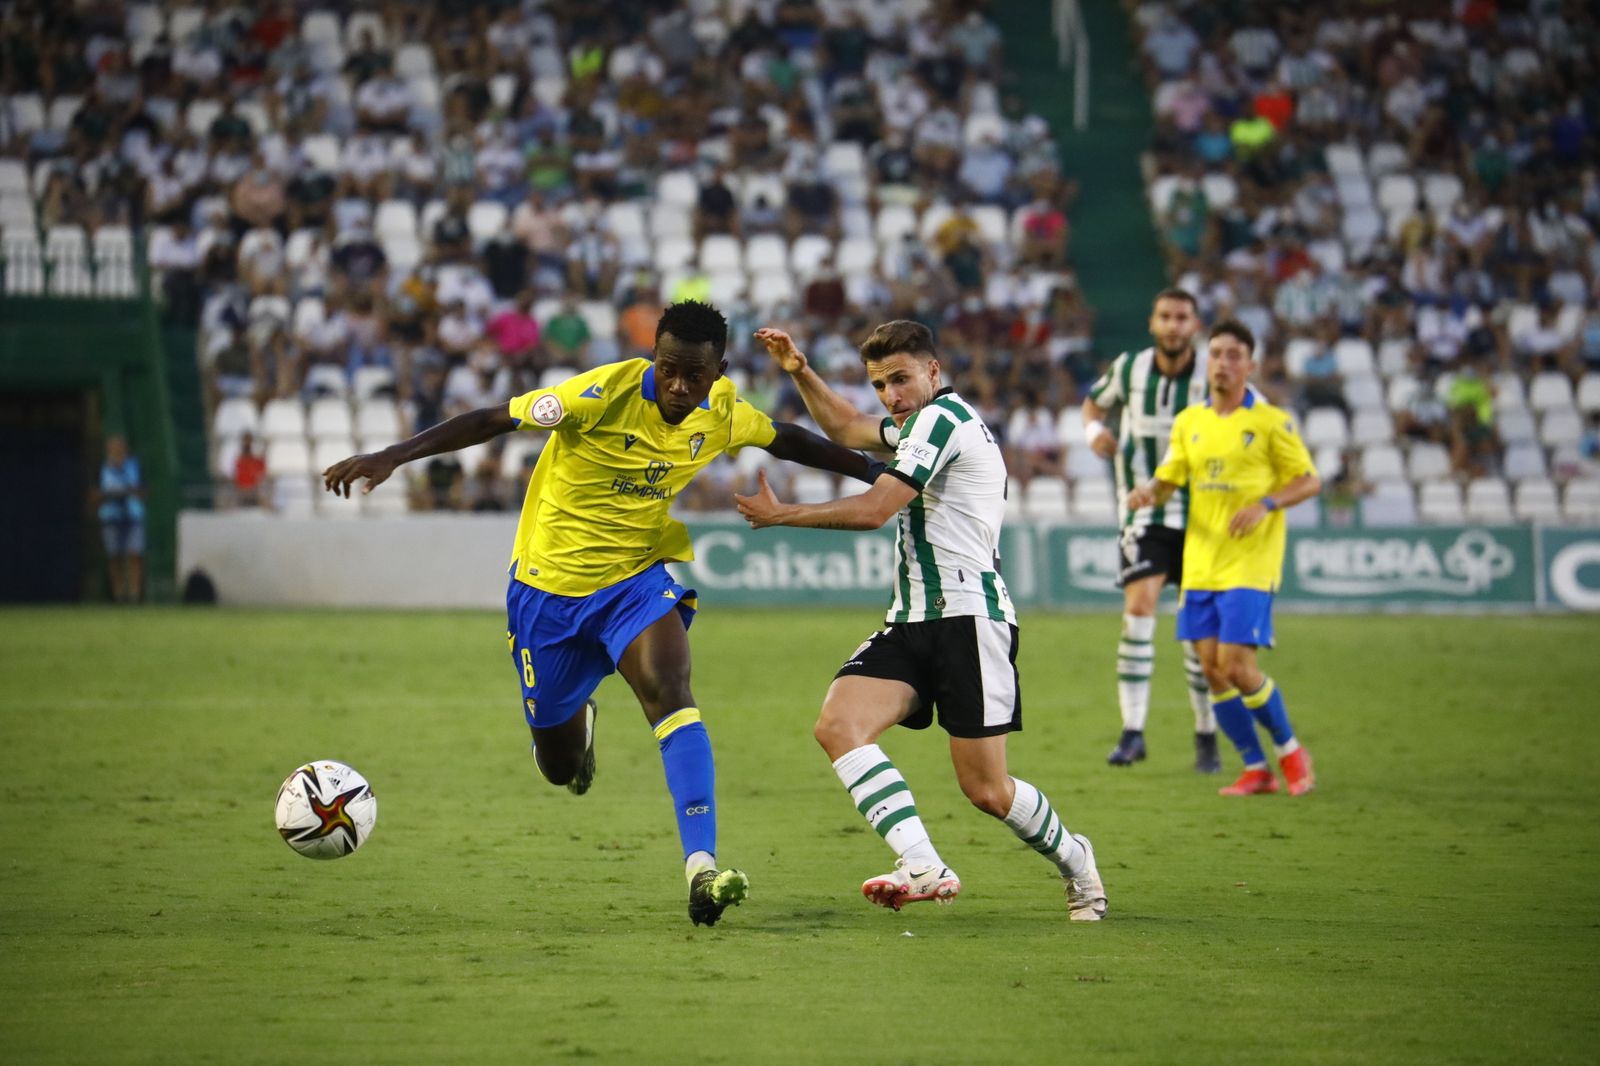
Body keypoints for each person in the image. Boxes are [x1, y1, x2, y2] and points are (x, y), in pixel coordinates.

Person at [322, 302, 882, 925]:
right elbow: (490, 418)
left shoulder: (722, 411)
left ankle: (702, 867)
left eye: (694, 376)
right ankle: (577, 730)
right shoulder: (598, 395)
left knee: (672, 692)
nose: (678, 386)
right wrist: (393, 456)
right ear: (653, 359)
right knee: (559, 768)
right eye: (667, 369)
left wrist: (874, 470)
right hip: (546, 595)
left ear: (717, 371)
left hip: (632, 584)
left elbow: (786, 438)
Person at [733, 321, 1107, 920]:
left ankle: (1076, 860)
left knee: (987, 791)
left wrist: (786, 515)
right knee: (839, 725)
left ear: (934, 372)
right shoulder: (917, 422)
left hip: (969, 618)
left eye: (900, 379)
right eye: (880, 384)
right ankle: (924, 865)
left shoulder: (943, 421)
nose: (890, 396)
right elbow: (846, 427)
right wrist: (800, 370)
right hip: (911, 620)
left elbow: (877, 509)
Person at [1124, 319, 1322, 797]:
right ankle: (1256, 768)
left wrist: (1265, 505)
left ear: (1250, 365)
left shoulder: (1271, 422)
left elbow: (1309, 480)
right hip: (1201, 562)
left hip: (1251, 563)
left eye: (1234, 355)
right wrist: (1150, 491)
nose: (1223, 363)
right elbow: (1171, 475)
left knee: (1237, 665)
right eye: (1216, 354)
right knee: (1211, 668)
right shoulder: (1191, 421)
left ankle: (1292, 751)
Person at [1081, 289, 1219, 771]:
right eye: (1166, 316)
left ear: (1195, 325)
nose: (1174, 325)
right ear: (1153, 323)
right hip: (1145, 513)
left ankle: (1206, 735)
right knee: (1138, 609)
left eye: (1182, 317)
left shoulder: (1213, 373)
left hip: (1205, 515)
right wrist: (1094, 433)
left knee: (1197, 632)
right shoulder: (1129, 368)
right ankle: (1133, 731)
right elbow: (1092, 406)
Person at [96, 435, 145, 603]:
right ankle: (118, 594)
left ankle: (135, 594)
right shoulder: (103, 469)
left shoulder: (134, 467)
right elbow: (95, 493)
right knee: (114, 556)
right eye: (114, 449)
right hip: (111, 516)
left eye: (120, 448)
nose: (117, 452)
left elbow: (143, 490)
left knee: (135, 554)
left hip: (132, 516)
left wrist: (130, 491)